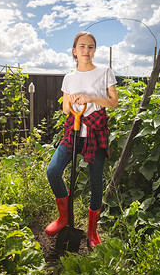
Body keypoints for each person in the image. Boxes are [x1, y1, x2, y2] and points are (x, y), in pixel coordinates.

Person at [45, 31, 118, 249]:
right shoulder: (69, 78)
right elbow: (66, 108)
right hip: (74, 129)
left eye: (91, 47)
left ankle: (92, 231)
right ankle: (64, 217)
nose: (87, 51)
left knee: (96, 182)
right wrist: (75, 100)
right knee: (53, 170)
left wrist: (90, 98)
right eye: (82, 47)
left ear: (95, 50)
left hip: (95, 131)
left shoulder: (105, 72)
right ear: (74, 51)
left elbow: (113, 102)